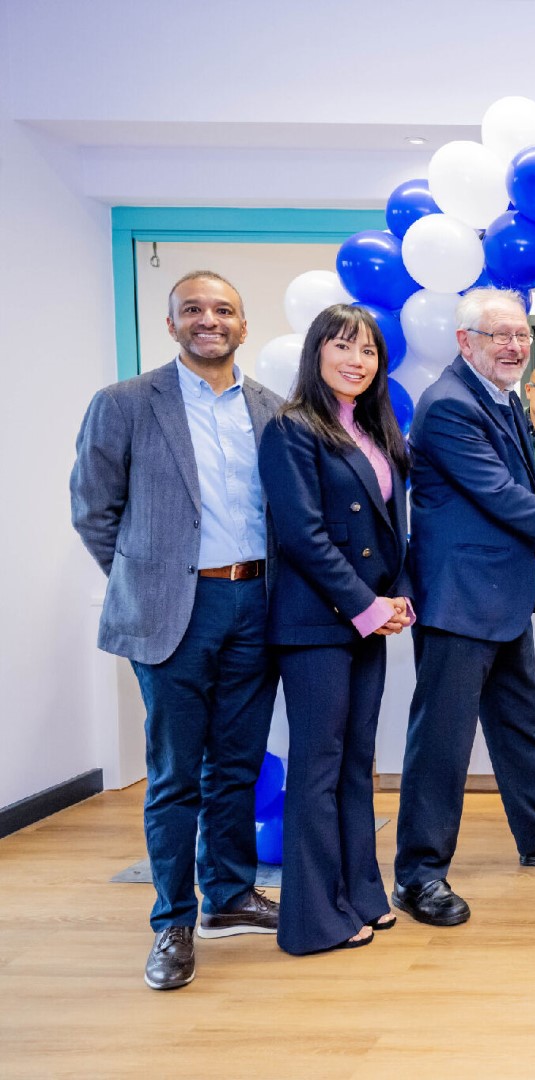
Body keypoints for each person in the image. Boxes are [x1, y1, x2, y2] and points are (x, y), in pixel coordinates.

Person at [70, 270, 282, 991]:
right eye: (193, 309)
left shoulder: (271, 409)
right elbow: (94, 511)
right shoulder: (126, 404)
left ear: (243, 326)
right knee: (172, 777)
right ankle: (172, 922)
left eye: (224, 309)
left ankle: (228, 896)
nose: (209, 320)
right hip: (174, 615)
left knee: (237, 766)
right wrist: (151, 578)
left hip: (257, 605)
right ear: (171, 324)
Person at [392, 288, 535, 928]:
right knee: (442, 743)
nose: (514, 347)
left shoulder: (500, 397)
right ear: (465, 340)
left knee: (519, 724)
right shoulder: (447, 405)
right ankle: (418, 876)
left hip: (503, 596)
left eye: (521, 335)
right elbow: (499, 496)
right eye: (499, 335)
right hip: (459, 602)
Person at [258, 305, 412, 955]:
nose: (357, 359)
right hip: (315, 623)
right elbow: (302, 534)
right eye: (343, 345)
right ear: (316, 352)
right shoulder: (291, 428)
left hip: (365, 622)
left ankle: (361, 894)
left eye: (369, 350)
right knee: (317, 769)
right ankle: (312, 920)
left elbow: (385, 529)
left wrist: (396, 597)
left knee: (356, 765)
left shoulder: (375, 428)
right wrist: (365, 604)